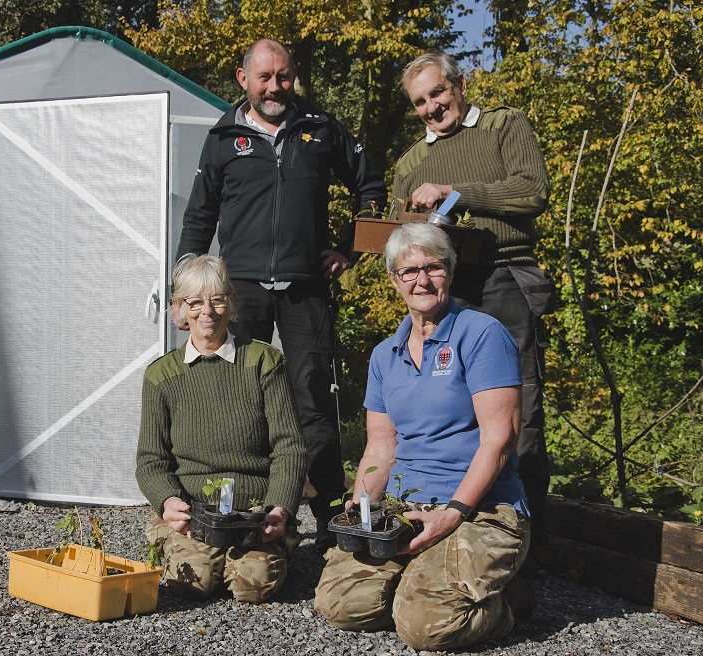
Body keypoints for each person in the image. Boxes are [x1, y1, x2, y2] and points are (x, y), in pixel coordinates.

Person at [175, 38, 388, 551]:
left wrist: (348, 251)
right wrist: (187, 288)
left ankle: (328, 516)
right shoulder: (223, 138)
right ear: (242, 79)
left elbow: (372, 189)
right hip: (240, 291)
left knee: (312, 397)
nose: (276, 87)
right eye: (265, 77)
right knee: (236, 395)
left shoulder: (321, 128)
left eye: (285, 77)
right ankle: (240, 510)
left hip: (305, 289)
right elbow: (200, 216)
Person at [314, 223, 532, 651]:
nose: (421, 279)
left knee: (425, 626)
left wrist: (452, 514)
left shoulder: (482, 334)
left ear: (449, 272)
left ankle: (510, 602)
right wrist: (361, 508)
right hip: (405, 505)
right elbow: (381, 447)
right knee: (340, 603)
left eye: (433, 267)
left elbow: (500, 440)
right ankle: (424, 581)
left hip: (480, 508)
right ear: (394, 279)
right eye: (408, 270)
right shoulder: (385, 354)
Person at [389, 52, 553, 572]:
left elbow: (533, 193)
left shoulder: (505, 125)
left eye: (438, 92)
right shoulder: (413, 160)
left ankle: (527, 545)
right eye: (420, 101)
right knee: (448, 407)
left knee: (517, 412)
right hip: (444, 286)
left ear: (460, 84)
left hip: (504, 275)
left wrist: (456, 195)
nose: (432, 107)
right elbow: (400, 230)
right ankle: (453, 526)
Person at [136, 254, 307, 603]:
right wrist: (169, 501)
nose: (207, 312)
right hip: (195, 511)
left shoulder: (264, 361)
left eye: (217, 300)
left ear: (230, 301)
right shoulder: (160, 376)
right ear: (180, 308)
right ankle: (187, 547)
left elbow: (289, 446)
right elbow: (151, 460)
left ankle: (279, 545)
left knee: (253, 586)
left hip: (255, 514)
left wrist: (279, 509)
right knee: (192, 583)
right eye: (195, 302)